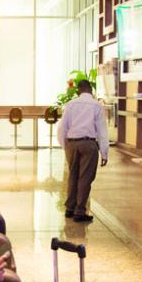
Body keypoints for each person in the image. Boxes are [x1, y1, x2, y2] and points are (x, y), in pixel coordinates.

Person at [57, 80, 109, 223]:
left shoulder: (70, 105)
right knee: (85, 177)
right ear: (90, 90)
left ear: (78, 91)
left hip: (72, 143)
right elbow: (102, 131)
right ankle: (80, 212)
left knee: (72, 176)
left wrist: (65, 145)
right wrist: (104, 153)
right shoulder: (96, 106)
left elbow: (62, 128)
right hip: (89, 143)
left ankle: (69, 209)